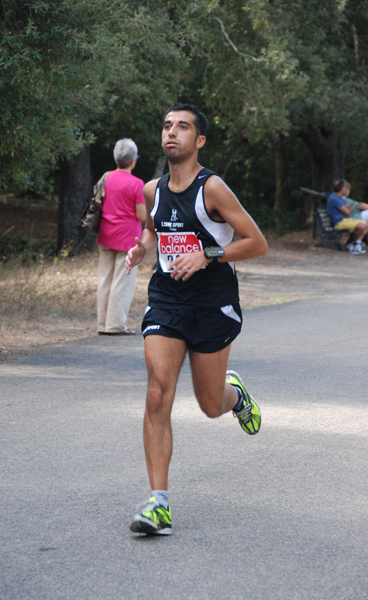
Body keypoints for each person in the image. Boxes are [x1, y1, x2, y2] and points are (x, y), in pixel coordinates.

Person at [125, 103, 268, 535]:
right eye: (167, 126)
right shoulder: (151, 190)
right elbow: (153, 228)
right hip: (167, 297)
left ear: (199, 140)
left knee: (209, 404)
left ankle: (235, 396)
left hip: (212, 301)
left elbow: (256, 242)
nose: (172, 133)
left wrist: (207, 254)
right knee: (156, 393)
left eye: (182, 127)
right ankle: (158, 504)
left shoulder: (214, 189)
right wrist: (141, 246)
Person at [96, 138, 146, 335]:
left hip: (105, 234)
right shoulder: (137, 184)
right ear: (133, 161)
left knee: (105, 280)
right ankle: (115, 325)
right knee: (122, 282)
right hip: (128, 239)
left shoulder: (105, 178)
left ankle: (102, 324)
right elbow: (141, 215)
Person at [326, 179, 368, 255]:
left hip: (346, 219)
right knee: (362, 226)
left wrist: (346, 209)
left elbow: (349, 210)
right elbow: (347, 211)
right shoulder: (335, 198)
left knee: (366, 224)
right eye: (347, 188)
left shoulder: (340, 198)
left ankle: (355, 244)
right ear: (342, 188)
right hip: (339, 222)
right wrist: (346, 209)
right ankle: (354, 244)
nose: (348, 190)